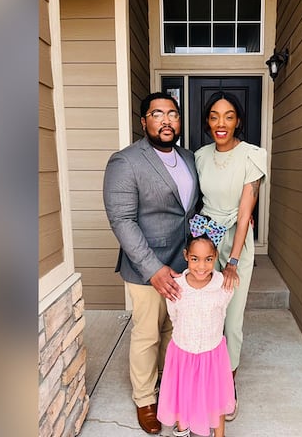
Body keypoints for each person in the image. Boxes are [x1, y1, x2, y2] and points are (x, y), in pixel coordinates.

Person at [103, 92, 200, 435]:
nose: (166, 120)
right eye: (157, 114)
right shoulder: (126, 161)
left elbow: (188, 210)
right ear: (144, 122)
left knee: (173, 333)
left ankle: (168, 387)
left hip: (184, 263)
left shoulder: (187, 157)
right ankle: (145, 399)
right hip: (147, 267)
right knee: (147, 335)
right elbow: (122, 220)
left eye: (172, 114)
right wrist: (153, 268)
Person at [194, 91, 267, 421]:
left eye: (228, 116)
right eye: (214, 116)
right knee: (206, 314)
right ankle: (204, 377)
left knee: (232, 319)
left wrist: (234, 260)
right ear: (207, 121)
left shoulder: (252, 156)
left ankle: (227, 385)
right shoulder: (198, 156)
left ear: (238, 120)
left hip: (236, 243)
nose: (220, 123)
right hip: (205, 243)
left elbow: (244, 212)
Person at [157, 214, 236, 437]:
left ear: (216, 257)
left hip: (212, 355)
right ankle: (183, 431)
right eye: (195, 259)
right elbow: (174, 317)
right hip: (183, 354)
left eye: (208, 259)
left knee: (215, 398)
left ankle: (218, 434)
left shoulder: (224, 286)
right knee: (185, 397)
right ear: (186, 257)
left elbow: (222, 313)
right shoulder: (176, 288)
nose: (201, 266)